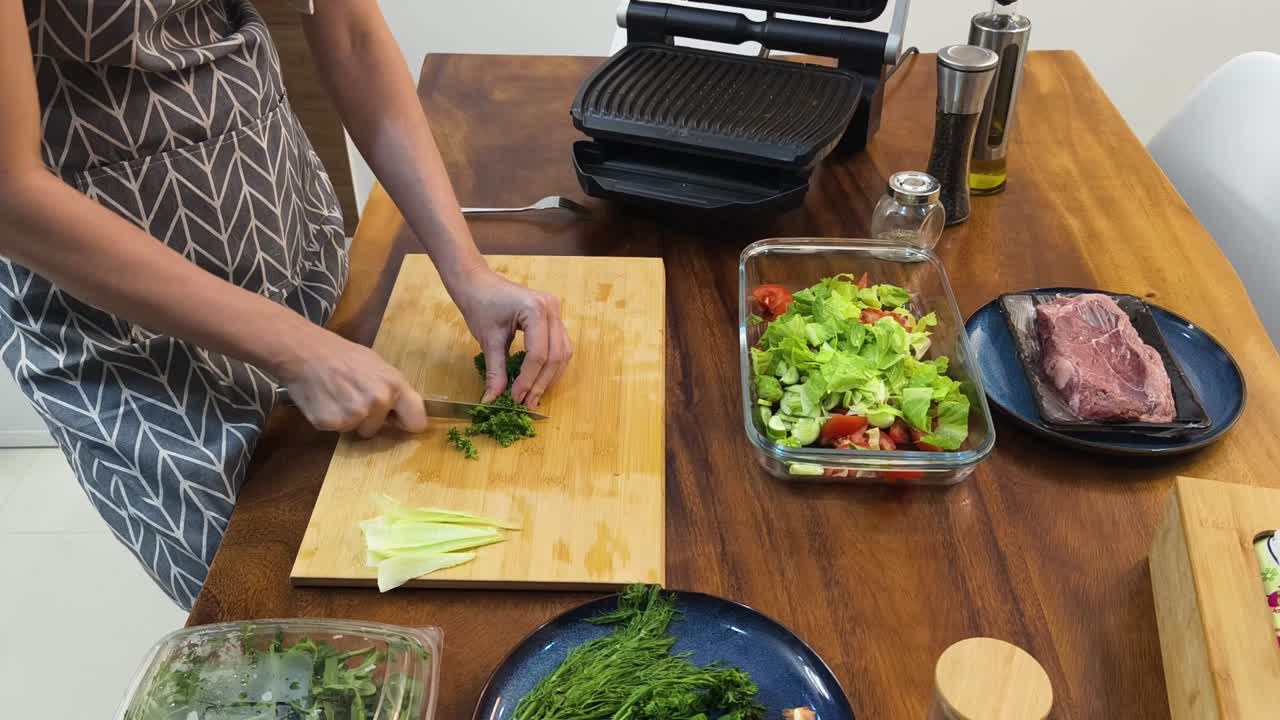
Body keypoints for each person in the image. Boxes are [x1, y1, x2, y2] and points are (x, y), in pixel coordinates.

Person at [0, 0, 572, 608]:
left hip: (280, 217)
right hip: (124, 325)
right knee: (282, 612)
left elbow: (349, 31)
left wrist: (467, 270)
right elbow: (10, 193)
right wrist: (295, 349)